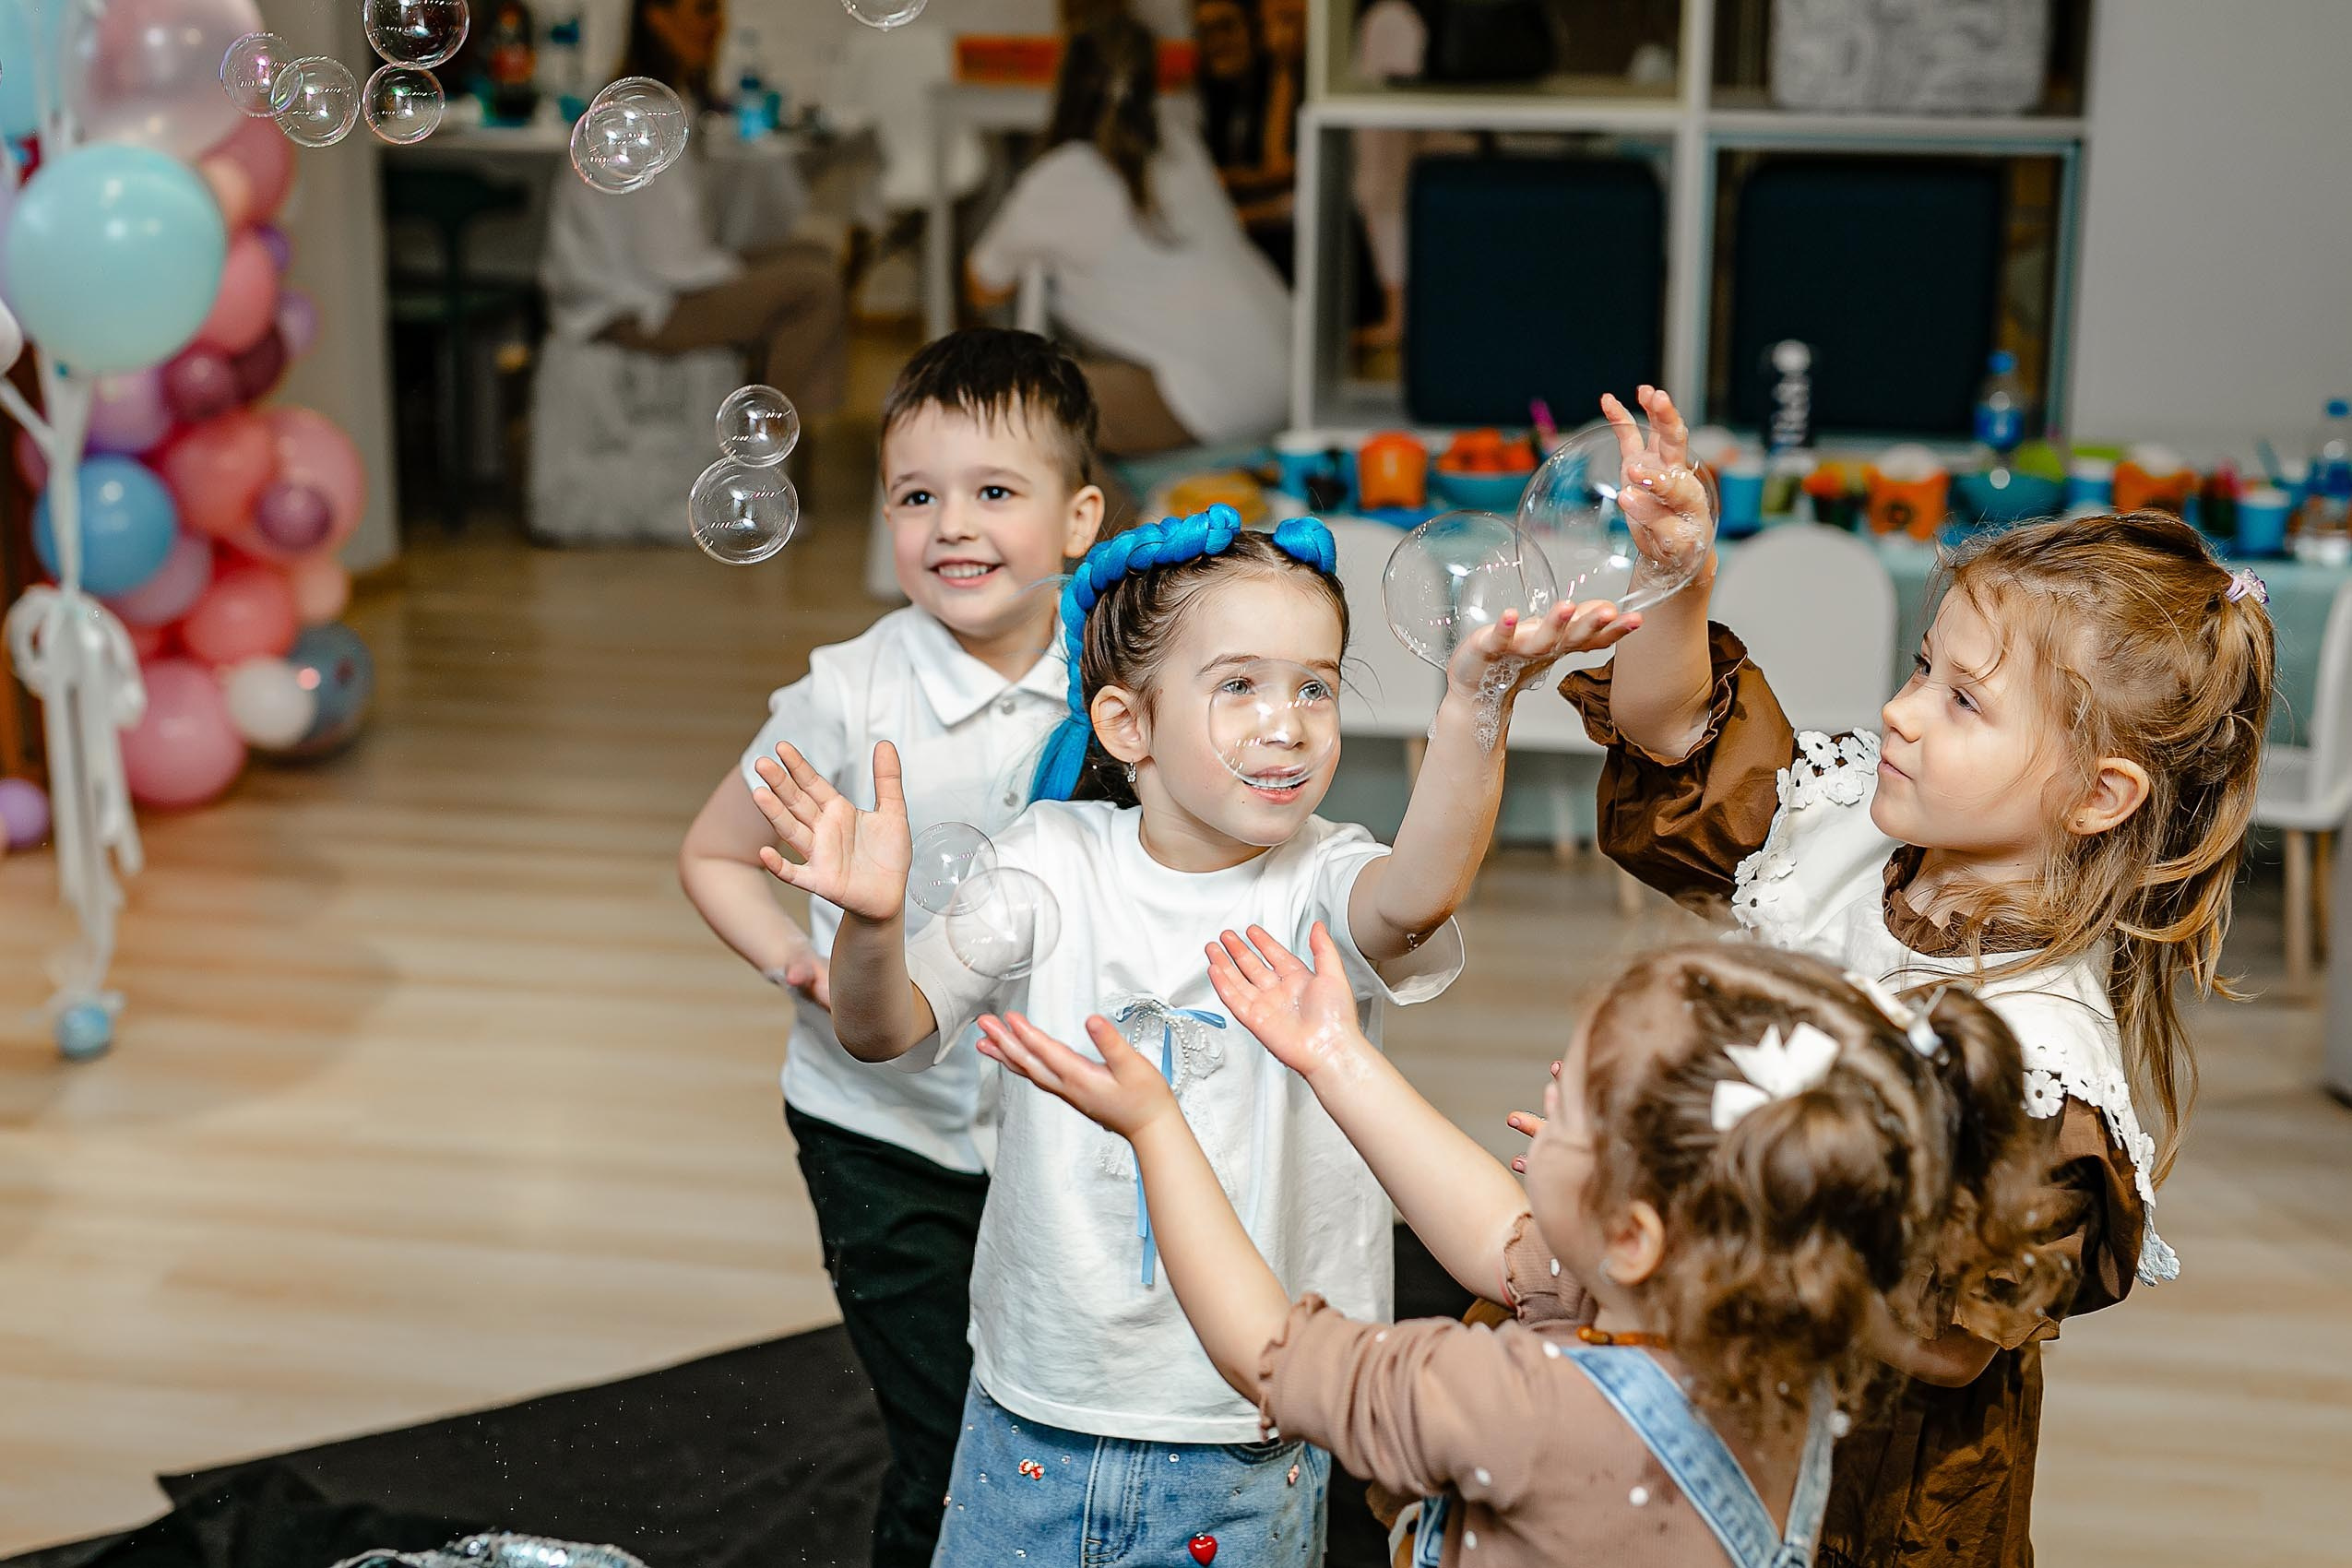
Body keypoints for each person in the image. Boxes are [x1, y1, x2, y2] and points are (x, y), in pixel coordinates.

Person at [746, 505, 1637, 1564]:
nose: (1288, 722)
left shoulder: (1323, 873)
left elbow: (1420, 890)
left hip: (1251, 1419)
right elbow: (881, 1028)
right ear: (1129, 726)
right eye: (1239, 686)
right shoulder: (1048, 860)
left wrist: (1475, 703)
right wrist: (874, 920)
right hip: (1040, 1399)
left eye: (1316, 684)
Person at [1557, 387, 2277, 1568]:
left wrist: (1684, 1213)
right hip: (1716, 1399)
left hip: (1871, 1489)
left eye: (1962, 699)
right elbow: (1673, 725)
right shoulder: (1838, 834)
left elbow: (1942, 1337)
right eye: (1919, 667)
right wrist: (1681, 581)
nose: (1897, 712)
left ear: (2099, 794)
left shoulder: (2041, 1055)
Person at [977, 931, 2065, 1568]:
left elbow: (1270, 1351)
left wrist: (1159, 1127)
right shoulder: (1767, 1334)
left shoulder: (1519, 1404)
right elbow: (1508, 1247)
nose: (1548, 1088)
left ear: (1636, 1236)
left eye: (1575, 1103)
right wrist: (1333, 1057)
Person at [677, 329, 1105, 1568]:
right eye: (917, 496)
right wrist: (796, 964)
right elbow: (711, 854)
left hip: (1064, 1132)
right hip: (884, 1139)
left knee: (1058, 1414)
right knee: (947, 1443)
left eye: (993, 492)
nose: (950, 526)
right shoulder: (845, 696)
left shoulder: (1123, 687)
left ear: (1077, 518)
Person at [966, 17, 1290, 456]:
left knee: (1019, 404)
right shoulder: (1180, 146)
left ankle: (1117, 522)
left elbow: (982, 284)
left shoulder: (1061, 177)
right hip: (1287, 365)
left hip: (1214, 398)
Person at [540, 0, 847, 425]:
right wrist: (735, 271)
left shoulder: (664, 98)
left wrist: (734, 266)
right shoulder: (638, 115)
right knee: (815, 288)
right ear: (658, 16)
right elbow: (665, 260)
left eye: (718, 10)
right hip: (629, 308)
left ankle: (787, 434)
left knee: (815, 255)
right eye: (703, 10)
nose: (717, 24)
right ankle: (773, 447)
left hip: (655, 284)